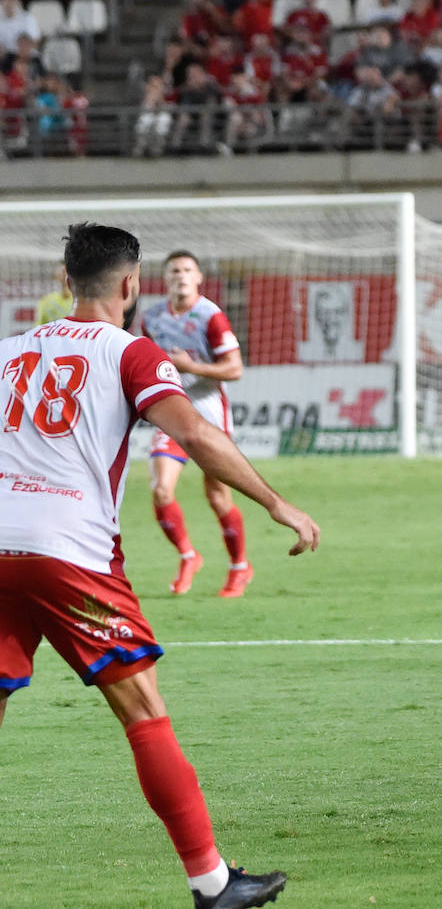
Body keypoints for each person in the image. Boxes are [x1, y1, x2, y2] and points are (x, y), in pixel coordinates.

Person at [0, 223, 319, 909]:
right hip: (70, 554)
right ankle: (212, 883)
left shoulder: (7, 353)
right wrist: (274, 502)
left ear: (64, 282)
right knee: (143, 711)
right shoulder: (131, 352)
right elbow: (197, 433)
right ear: (130, 285)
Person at [140, 251, 252, 597]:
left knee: (217, 495)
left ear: (199, 277)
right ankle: (189, 556)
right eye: (175, 270)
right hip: (172, 411)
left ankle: (239, 566)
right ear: (166, 278)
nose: (181, 276)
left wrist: (191, 367)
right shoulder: (152, 318)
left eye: (188, 270)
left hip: (208, 413)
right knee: (160, 489)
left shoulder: (211, 316)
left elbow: (234, 369)